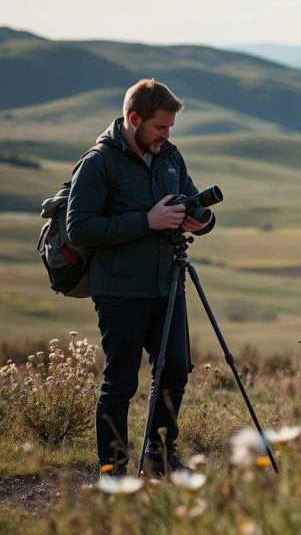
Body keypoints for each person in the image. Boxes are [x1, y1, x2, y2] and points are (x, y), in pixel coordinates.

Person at [67, 79, 215, 475]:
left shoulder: (169, 157)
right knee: (121, 381)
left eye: (170, 128)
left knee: (175, 371)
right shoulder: (98, 162)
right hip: (119, 289)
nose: (166, 135)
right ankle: (113, 470)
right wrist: (147, 222)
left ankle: (159, 459)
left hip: (168, 283)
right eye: (160, 127)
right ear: (135, 119)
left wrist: (200, 221)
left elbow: (192, 200)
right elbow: (80, 228)